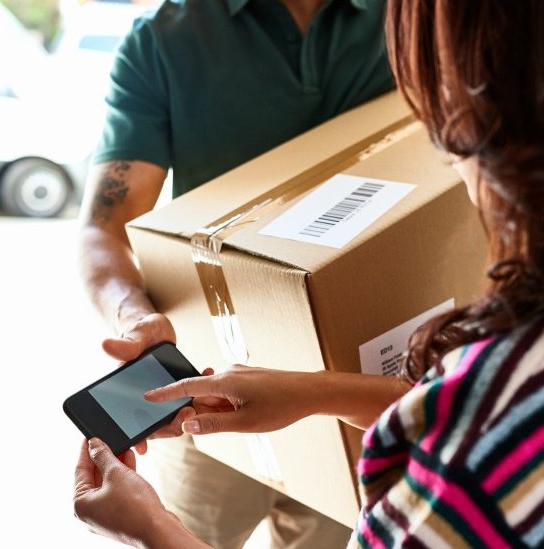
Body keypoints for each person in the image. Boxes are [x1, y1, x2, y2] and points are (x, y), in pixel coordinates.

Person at [74, 0, 544, 547]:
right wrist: (314, 393)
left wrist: (153, 529)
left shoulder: (493, 433)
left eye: (436, 103)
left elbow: (495, 436)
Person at [77, 0, 395, 547]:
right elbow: (104, 228)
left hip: (358, 392)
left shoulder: (413, 19)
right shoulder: (165, 40)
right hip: (210, 391)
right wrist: (133, 312)